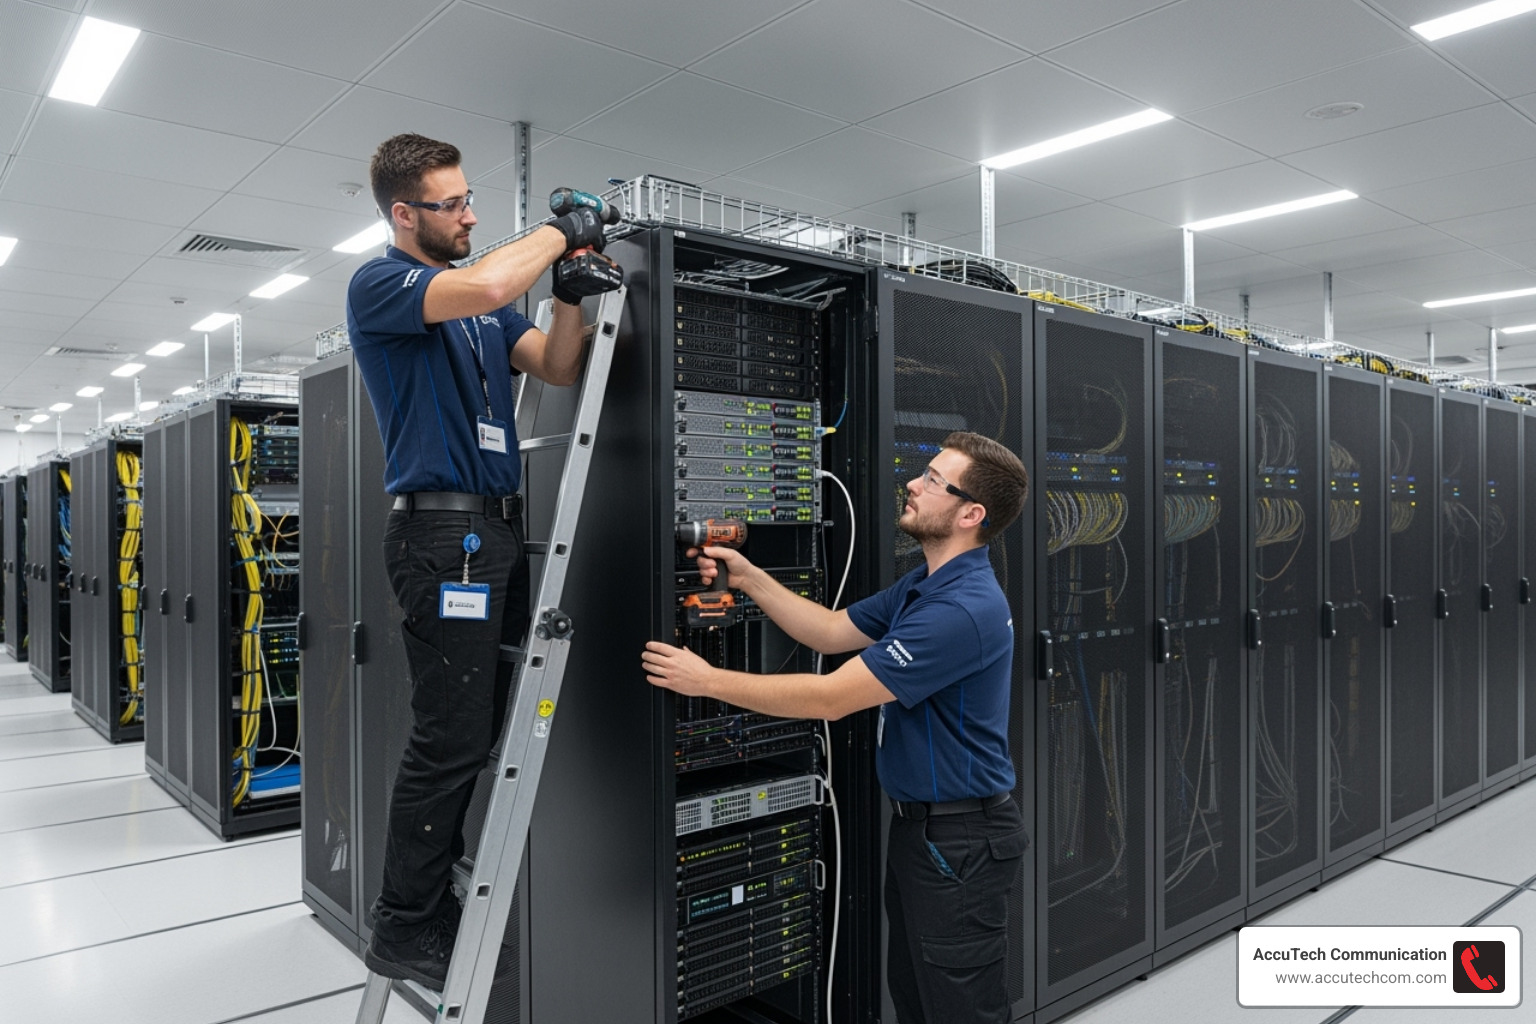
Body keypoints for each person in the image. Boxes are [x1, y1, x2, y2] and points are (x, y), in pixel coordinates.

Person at [642, 430, 1031, 1024]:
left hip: (961, 841)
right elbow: (829, 632)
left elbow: (830, 699)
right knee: (918, 999)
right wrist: (747, 577)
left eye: (933, 480)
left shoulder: (960, 609)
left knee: (961, 1010)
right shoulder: (927, 585)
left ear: (970, 514)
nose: (913, 484)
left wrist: (708, 680)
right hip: (929, 833)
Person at [346, 132, 611, 989]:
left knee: (482, 727)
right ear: (404, 214)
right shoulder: (383, 284)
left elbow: (558, 367)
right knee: (450, 735)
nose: (468, 215)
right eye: (452, 203)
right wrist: (562, 232)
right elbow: (495, 280)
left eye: (469, 199)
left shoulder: (486, 315)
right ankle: (405, 923)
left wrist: (567, 296)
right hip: (441, 538)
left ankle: (435, 898)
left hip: (493, 533)